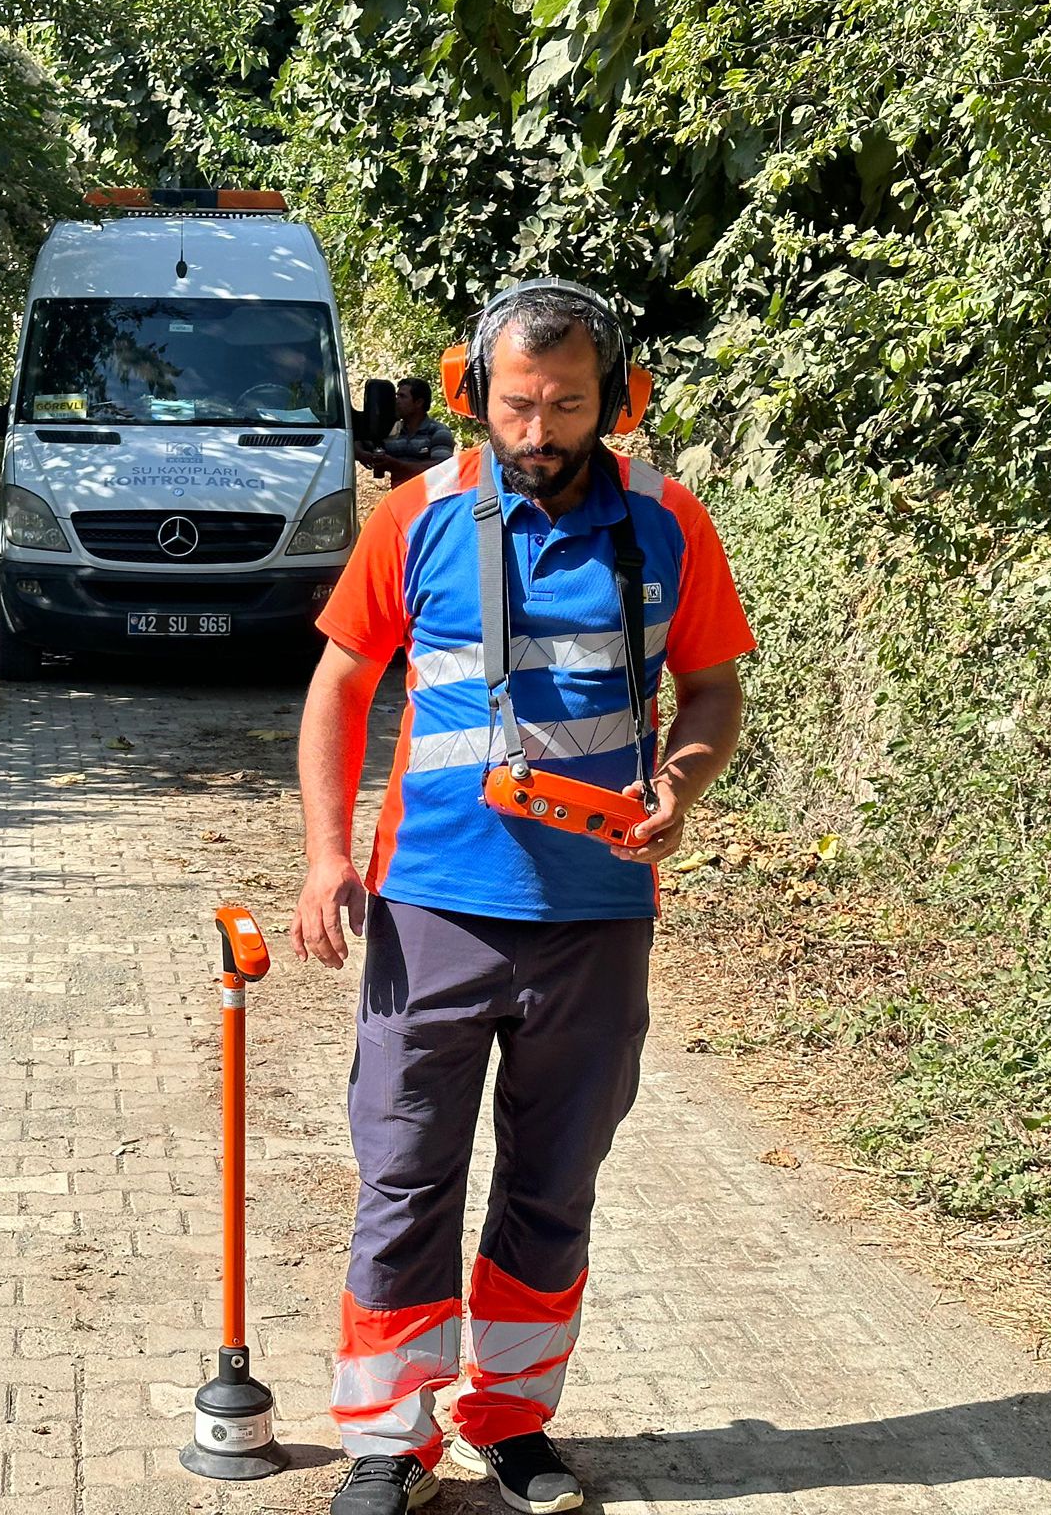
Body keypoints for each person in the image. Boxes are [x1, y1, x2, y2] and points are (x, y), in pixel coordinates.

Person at [292, 280, 754, 1515]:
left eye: (564, 404)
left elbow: (710, 692)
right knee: (403, 1175)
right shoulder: (413, 518)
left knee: (552, 1183)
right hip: (430, 904)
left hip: (596, 918)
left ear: (617, 399)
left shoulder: (668, 523)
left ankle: (510, 1421)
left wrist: (682, 782)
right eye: (515, 404)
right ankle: (388, 1438)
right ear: (472, 398)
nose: (537, 430)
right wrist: (324, 855)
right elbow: (339, 687)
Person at [357, 377, 455, 479]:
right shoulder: (392, 431)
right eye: (397, 396)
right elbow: (357, 441)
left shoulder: (438, 432)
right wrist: (362, 454)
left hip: (431, 493)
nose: (396, 401)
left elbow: (443, 468)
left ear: (419, 403)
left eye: (402, 396)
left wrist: (397, 465)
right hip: (401, 493)